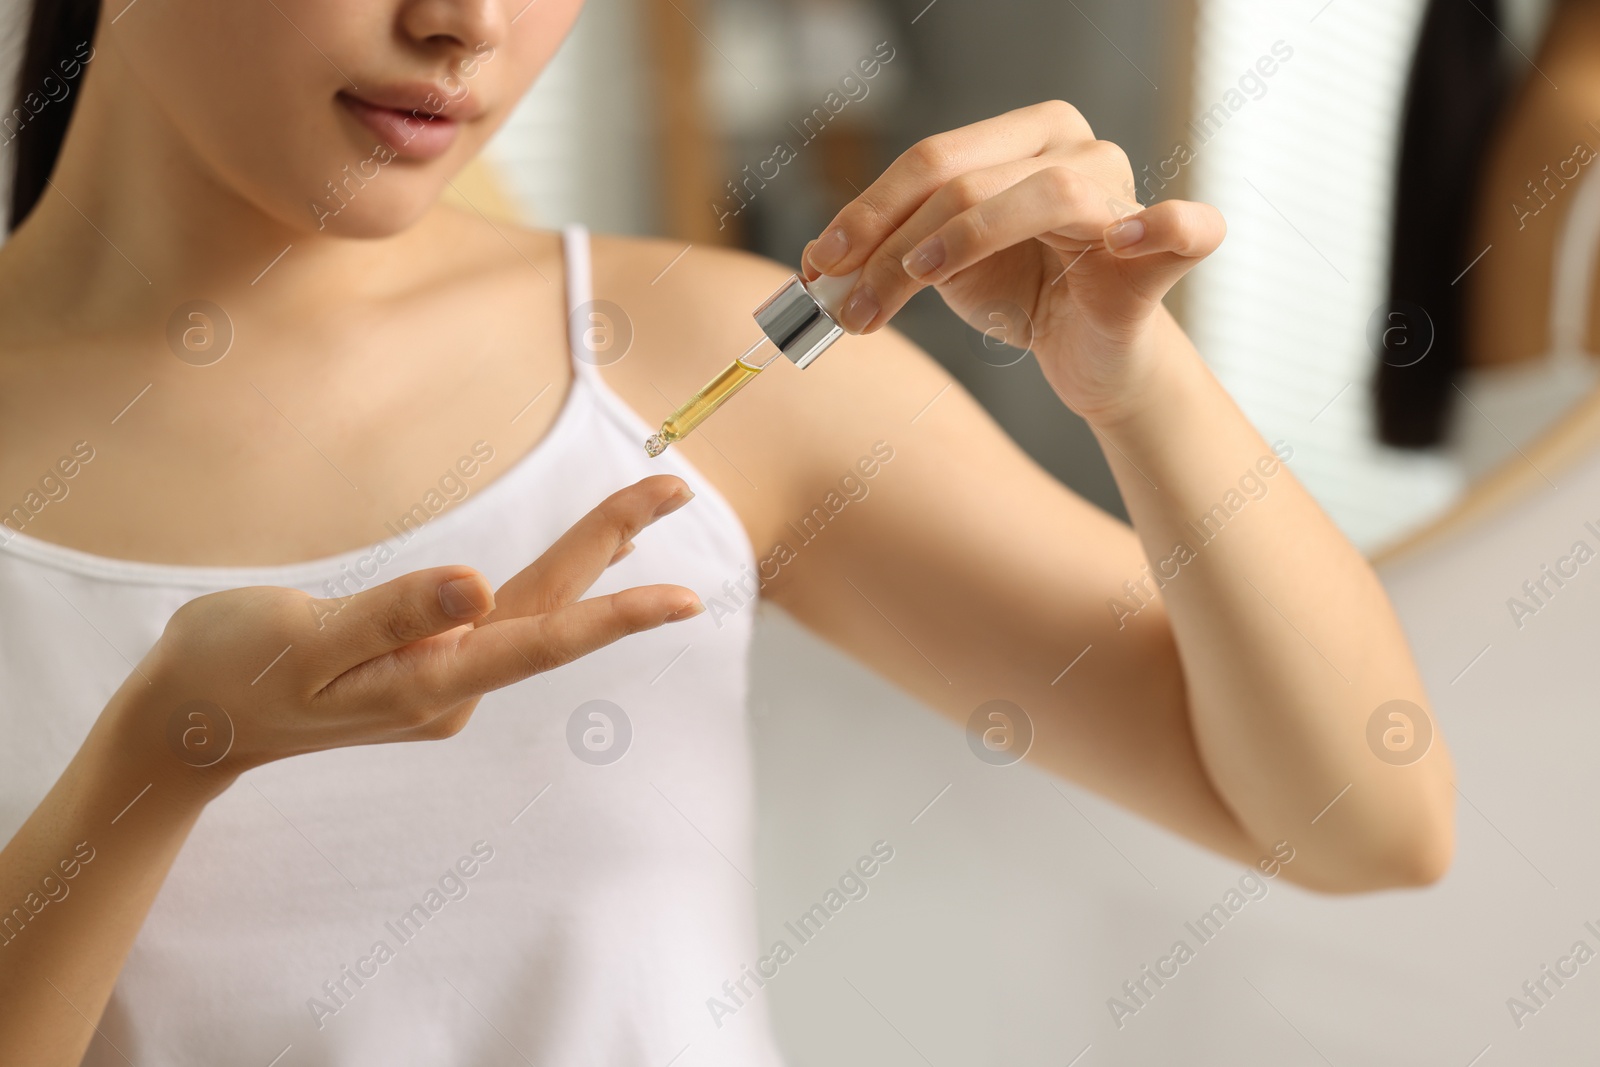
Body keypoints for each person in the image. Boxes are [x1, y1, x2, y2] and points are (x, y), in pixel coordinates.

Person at [0, 1, 1452, 1063]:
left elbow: (1364, 821)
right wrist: (158, 761)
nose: (465, 25)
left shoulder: (690, 352)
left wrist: (1138, 387)